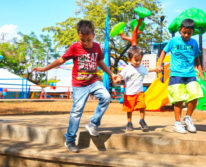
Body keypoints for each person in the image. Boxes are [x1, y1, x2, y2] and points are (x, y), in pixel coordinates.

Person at [32, 20, 116, 153]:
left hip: (93, 81)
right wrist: (44, 69)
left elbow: (100, 62)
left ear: (93, 35)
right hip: (79, 85)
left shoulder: (96, 47)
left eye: (88, 40)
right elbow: (60, 60)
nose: (86, 43)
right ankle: (70, 140)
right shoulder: (74, 47)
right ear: (78, 36)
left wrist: (111, 74)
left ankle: (93, 124)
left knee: (106, 97)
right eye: (83, 40)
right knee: (77, 112)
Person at [158, 18, 204, 134]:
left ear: (193, 32)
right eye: (184, 32)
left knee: (195, 96)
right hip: (176, 74)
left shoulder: (194, 43)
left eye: (189, 33)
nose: (187, 35)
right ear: (180, 30)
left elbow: (197, 57)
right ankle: (177, 123)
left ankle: (188, 117)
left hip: (190, 74)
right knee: (178, 99)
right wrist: (160, 64)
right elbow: (163, 51)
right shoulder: (174, 41)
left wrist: (200, 70)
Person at [114, 46, 159, 132]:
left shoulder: (141, 67)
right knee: (129, 109)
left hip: (139, 92)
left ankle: (142, 121)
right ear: (130, 59)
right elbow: (120, 75)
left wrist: (155, 69)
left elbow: (147, 69)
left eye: (140, 60)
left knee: (142, 106)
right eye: (136, 60)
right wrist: (118, 79)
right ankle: (129, 122)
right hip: (129, 93)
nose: (138, 62)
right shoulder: (127, 69)